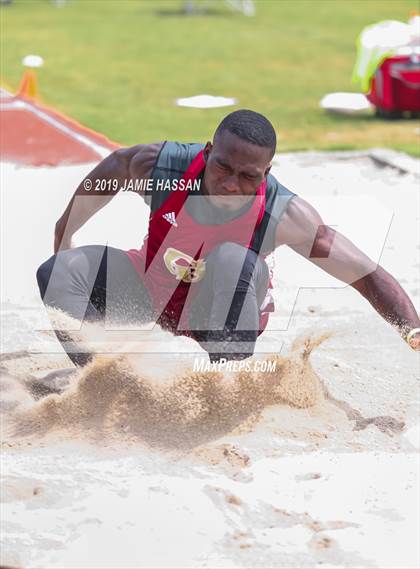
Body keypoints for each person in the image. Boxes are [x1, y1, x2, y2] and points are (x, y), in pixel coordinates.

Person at [36, 109, 420, 367]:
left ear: (267, 171)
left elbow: (365, 273)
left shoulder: (283, 214)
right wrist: (64, 233)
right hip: (153, 295)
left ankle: (225, 386)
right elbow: (113, 169)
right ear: (207, 152)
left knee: (231, 260)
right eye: (222, 167)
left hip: (219, 315)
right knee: (58, 271)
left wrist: (413, 332)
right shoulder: (161, 167)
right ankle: (102, 378)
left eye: (249, 176)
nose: (231, 184)